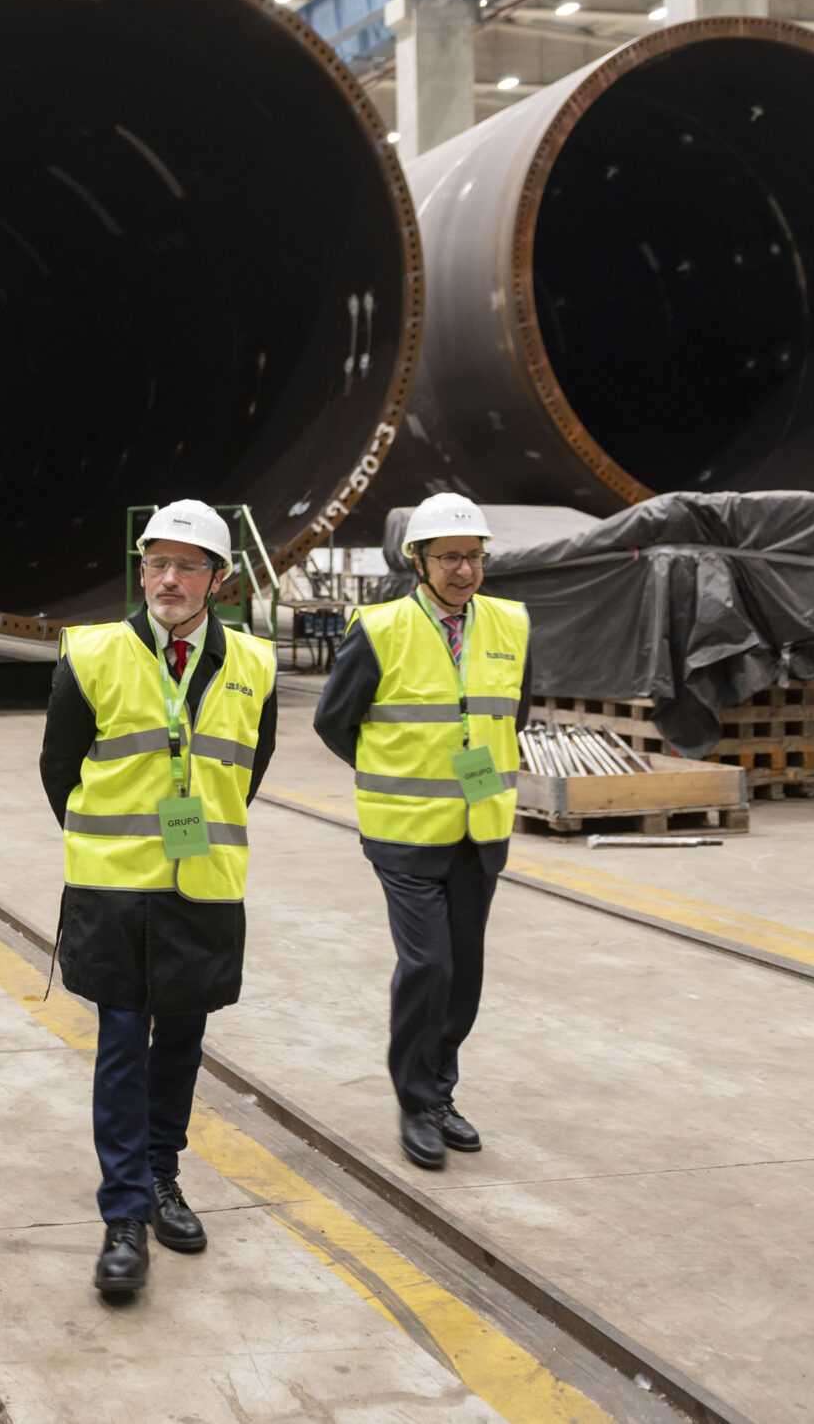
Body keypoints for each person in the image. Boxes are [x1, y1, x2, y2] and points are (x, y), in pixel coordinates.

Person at [40, 500, 277, 1299]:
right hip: (113, 888)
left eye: (187, 565)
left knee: (179, 1041)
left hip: (204, 883)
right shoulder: (92, 654)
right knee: (118, 1043)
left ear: (220, 578)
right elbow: (58, 770)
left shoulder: (255, 664)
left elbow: (250, 766)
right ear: (141, 569)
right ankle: (124, 1214)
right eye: (157, 564)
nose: (169, 579)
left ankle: (163, 1174)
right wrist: (107, 840)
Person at [311, 493, 529, 1172]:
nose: (464, 570)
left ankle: (440, 1092)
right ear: (418, 561)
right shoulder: (379, 630)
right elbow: (333, 719)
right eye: (449, 557)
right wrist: (390, 765)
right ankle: (415, 1100)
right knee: (427, 964)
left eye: (473, 556)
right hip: (404, 832)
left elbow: (511, 711)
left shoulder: (513, 624)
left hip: (481, 827)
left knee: (463, 971)